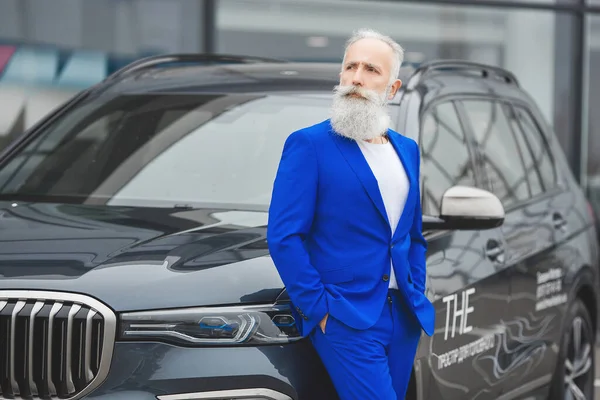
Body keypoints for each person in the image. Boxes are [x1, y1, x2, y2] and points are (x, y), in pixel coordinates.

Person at [267, 28, 435, 400]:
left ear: (392, 89)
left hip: (403, 315)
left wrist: (415, 287)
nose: (357, 78)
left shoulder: (406, 150)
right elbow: (283, 236)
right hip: (345, 317)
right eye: (350, 67)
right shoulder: (309, 144)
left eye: (371, 70)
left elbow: (412, 235)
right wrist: (319, 310)